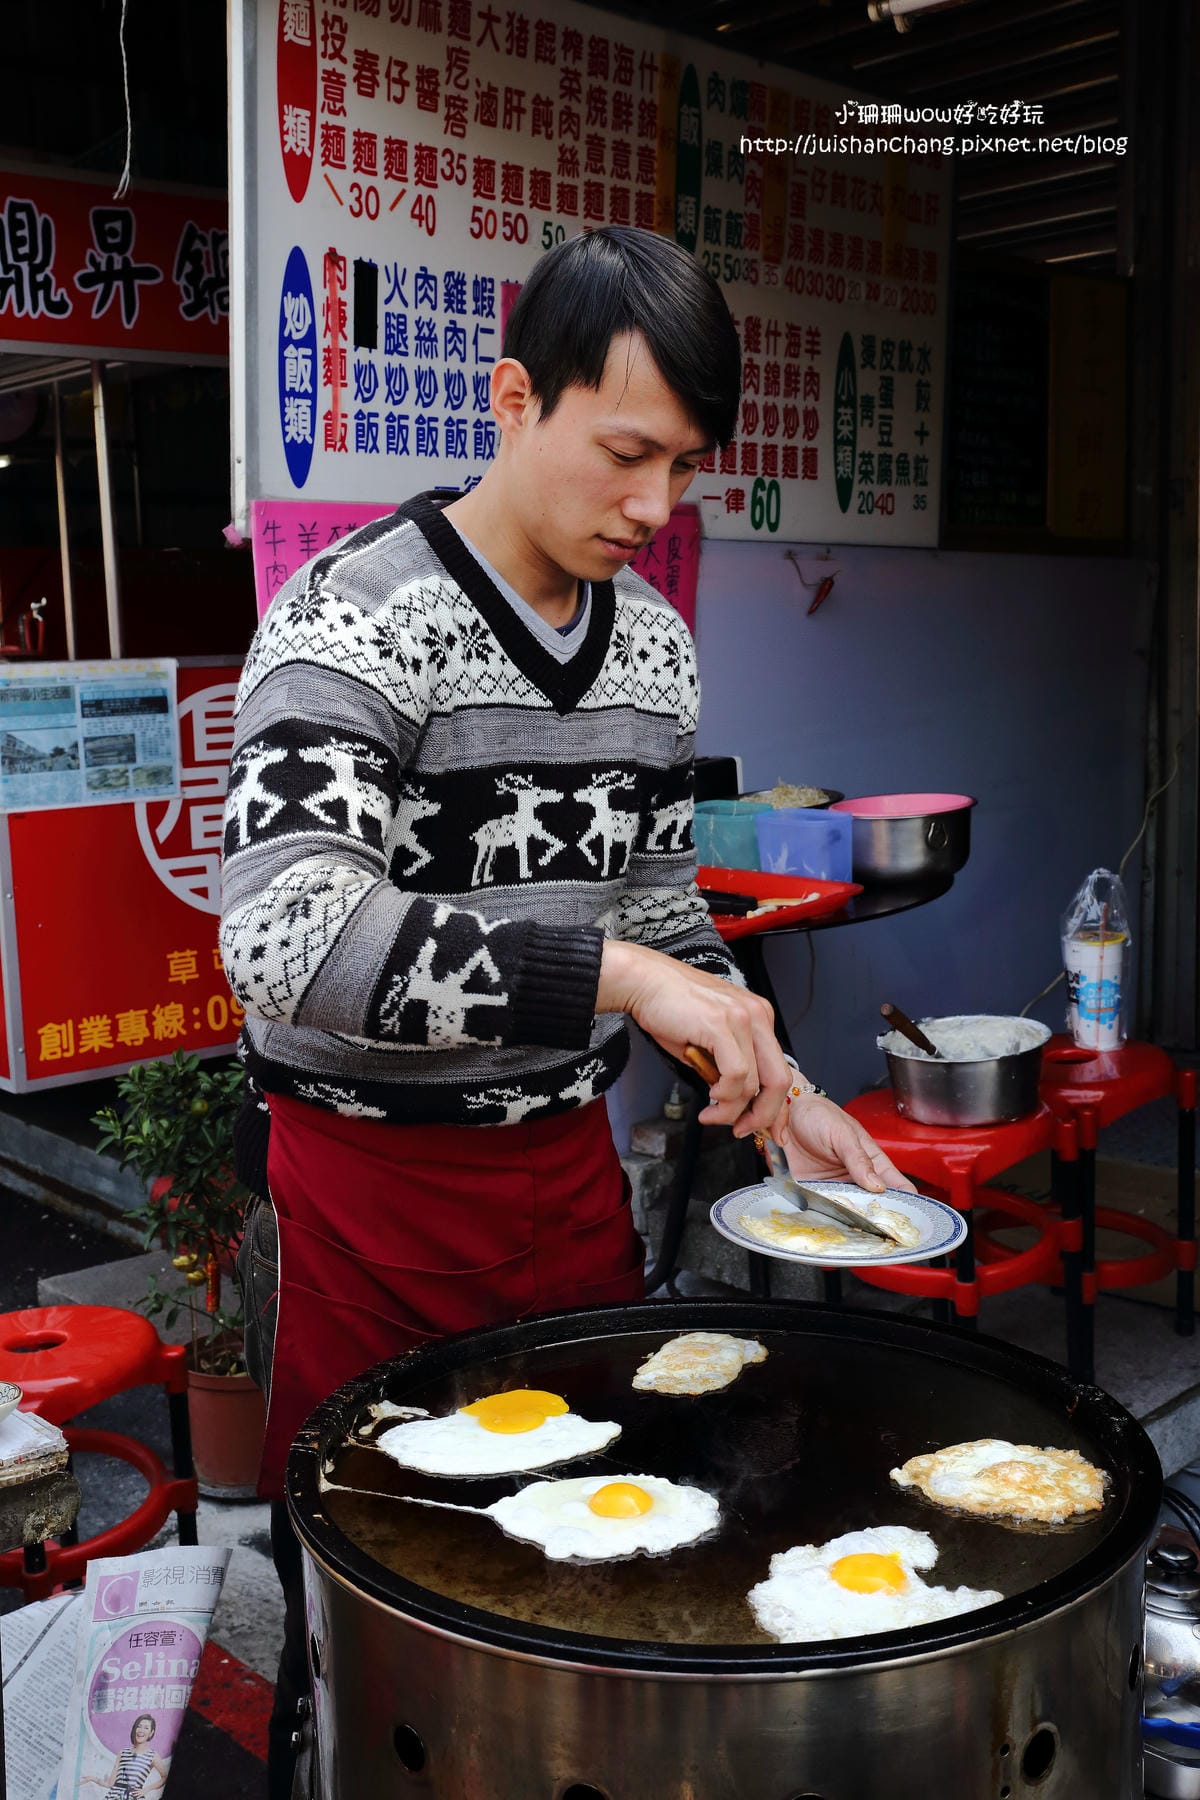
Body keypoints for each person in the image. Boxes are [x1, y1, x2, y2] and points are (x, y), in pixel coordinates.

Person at [220, 224, 910, 1796]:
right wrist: (621, 976)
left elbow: (658, 910)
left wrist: (770, 1074)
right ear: (514, 396)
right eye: (624, 456)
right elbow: (280, 934)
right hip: (368, 1208)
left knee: (579, 1575)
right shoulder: (353, 621)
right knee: (385, 1595)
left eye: (682, 469)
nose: (655, 511)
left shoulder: (652, 650)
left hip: (567, 1190)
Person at [83, 1713, 168, 1798]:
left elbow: (164, 1777)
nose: (141, 1730)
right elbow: (110, 1784)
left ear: (151, 1733)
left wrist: (146, 1790)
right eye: (139, 1726)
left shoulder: (152, 1755)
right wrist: (92, 1778)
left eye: (146, 1728)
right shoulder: (123, 1752)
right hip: (114, 1796)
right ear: (135, 1729)